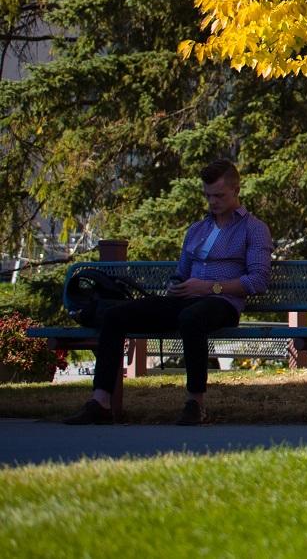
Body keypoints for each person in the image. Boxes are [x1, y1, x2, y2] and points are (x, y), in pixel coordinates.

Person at [66, 158, 272, 426]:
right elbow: (181, 272)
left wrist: (210, 287)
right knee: (116, 315)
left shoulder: (254, 229)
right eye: (208, 196)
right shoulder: (197, 230)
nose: (213, 202)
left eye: (219, 195)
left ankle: (195, 403)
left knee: (191, 319)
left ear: (236, 190)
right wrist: (174, 286)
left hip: (222, 303)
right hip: (185, 300)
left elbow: (257, 281)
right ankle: (100, 402)